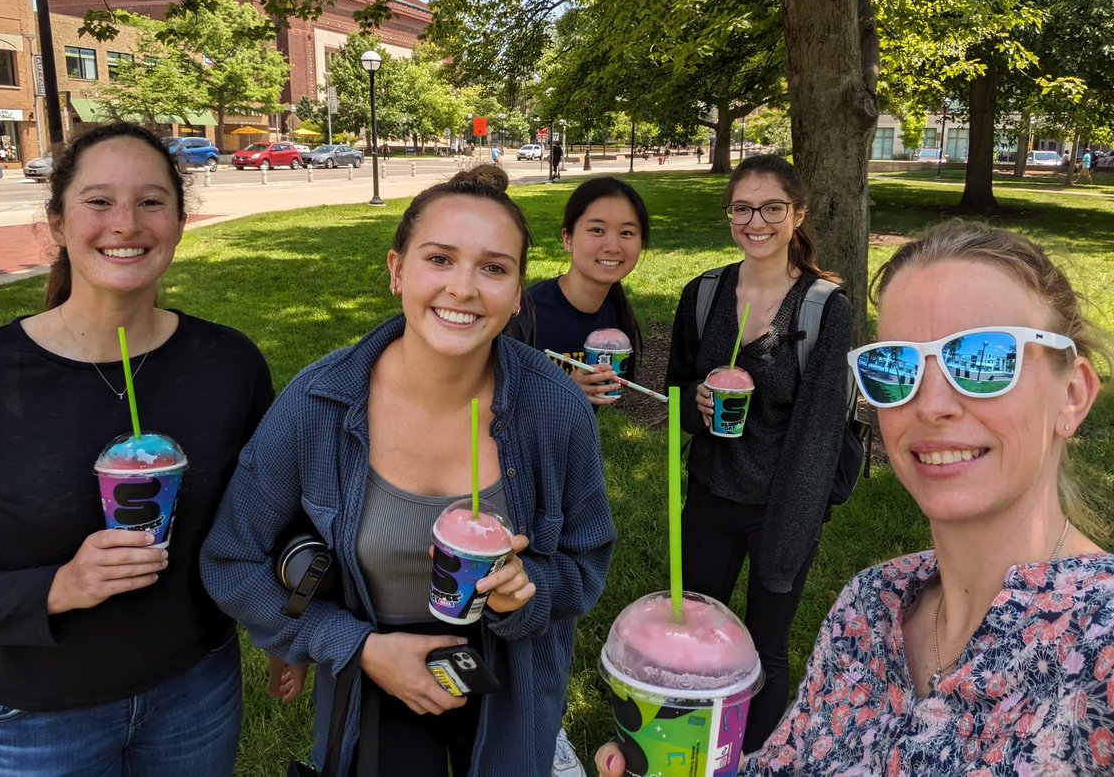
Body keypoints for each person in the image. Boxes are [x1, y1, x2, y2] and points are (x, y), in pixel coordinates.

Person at [597, 220, 1114, 775]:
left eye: (983, 360)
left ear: (1072, 395)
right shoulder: (870, 608)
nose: (931, 404)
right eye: (895, 367)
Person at [201, 165, 616, 776]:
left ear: (517, 294)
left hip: (510, 682)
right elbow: (230, 559)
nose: (464, 288)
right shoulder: (319, 402)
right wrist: (353, 646)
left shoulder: (555, 409)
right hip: (373, 674)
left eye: (494, 268)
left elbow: (586, 564)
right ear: (397, 271)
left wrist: (525, 593)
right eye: (439, 259)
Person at [0, 122, 275, 776]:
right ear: (58, 222)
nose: (126, 223)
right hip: (31, 713)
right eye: (99, 201)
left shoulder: (228, 364)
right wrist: (59, 586)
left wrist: (285, 624)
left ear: (179, 222)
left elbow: (263, 521)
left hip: (195, 687)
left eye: (151, 202)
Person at [664, 153, 851, 753]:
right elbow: (674, 392)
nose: (756, 222)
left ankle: (753, 758)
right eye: (742, 209)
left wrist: (794, 523)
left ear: (798, 214)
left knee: (763, 647)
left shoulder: (825, 308)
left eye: (772, 208)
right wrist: (696, 401)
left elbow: (821, 430)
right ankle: (685, 749)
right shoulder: (704, 294)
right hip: (711, 495)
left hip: (783, 501)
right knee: (695, 631)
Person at [506, 176, 650, 406]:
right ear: (568, 239)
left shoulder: (615, 316)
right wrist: (565, 391)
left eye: (626, 233)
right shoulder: (524, 313)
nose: (613, 247)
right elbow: (493, 398)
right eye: (597, 230)